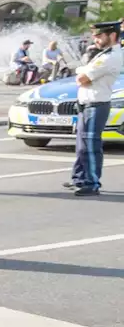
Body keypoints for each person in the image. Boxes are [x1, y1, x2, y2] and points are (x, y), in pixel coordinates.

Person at [66, 21, 121, 196]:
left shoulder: (110, 57)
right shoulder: (102, 54)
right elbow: (83, 75)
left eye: (99, 36)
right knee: (81, 145)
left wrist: (82, 69)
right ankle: (80, 178)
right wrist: (84, 69)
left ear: (112, 36)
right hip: (86, 104)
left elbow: (82, 79)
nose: (95, 39)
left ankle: (91, 182)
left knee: (90, 146)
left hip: (96, 104)